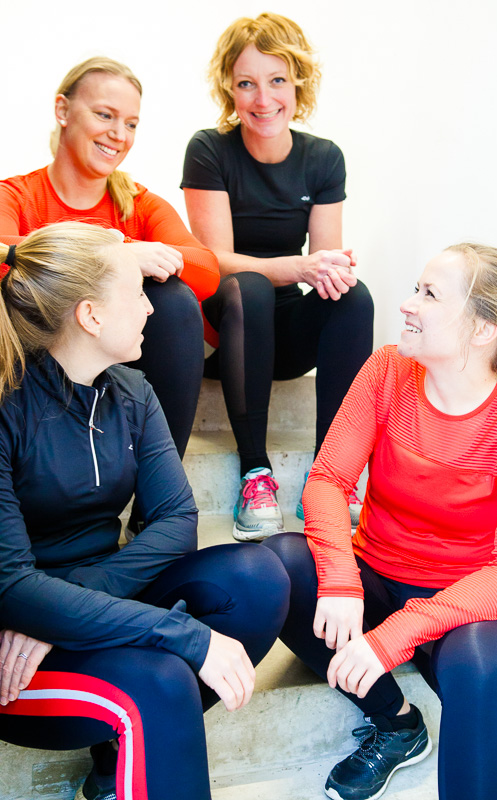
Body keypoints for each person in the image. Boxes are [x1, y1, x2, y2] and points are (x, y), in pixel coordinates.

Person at [0, 223, 290, 800]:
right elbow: (9, 588)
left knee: (257, 578)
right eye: (137, 293)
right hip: (13, 647)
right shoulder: (9, 405)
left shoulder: (132, 392)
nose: (151, 311)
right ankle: (135, 737)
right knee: (161, 681)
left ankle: (124, 760)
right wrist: (179, 633)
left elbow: (178, 525)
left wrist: (61, 599)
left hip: (75, 607)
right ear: (91, 316)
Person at [264, 243, 497, 800]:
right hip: (377, 577)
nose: (408, 304)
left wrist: (392, 639)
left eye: (429, 294)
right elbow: (327, 482)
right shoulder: (387, 369)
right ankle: (397, 723)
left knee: (483, 664)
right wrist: (339, 579)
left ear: (483, 329)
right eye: (416, 288)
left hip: (463, 608)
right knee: (280, 567)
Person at [181, 12, 374, 542]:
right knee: (252, 287)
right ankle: (255, 473)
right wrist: (293, 267)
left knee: (354, 299)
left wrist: (334, 269)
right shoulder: (209, 149)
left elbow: (325, 261)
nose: (262, 99)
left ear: (297, 83)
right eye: (247, 83)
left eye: (276, 81)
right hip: (232, 329)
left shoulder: (323, 158)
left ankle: (331, 478)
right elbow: (212, 260)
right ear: (230, 88)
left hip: (285, 336)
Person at [0, 56, 219, 490]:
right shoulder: (18, 196)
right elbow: (6, 256)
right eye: (105, 115)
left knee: (175, 298)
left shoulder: (139, 203)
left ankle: (155, 497)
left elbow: (207, 270)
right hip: (33, 372)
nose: (119, 135)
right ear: (63, 111)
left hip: (114, 377)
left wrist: (132, 250)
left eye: (132, 123)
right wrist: (115, 258)